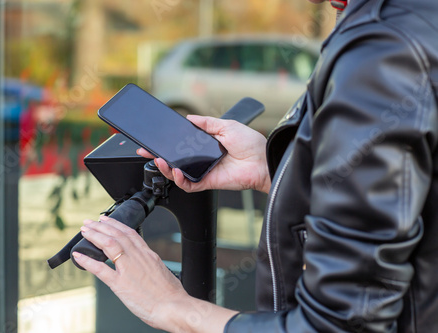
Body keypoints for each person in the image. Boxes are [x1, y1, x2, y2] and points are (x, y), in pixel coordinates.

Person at [72, 0, 438, 331]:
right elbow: (408, 201)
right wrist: (272, 169)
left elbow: (338, 326)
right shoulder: (411, 24)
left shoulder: (383, 49)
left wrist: (174, 306)